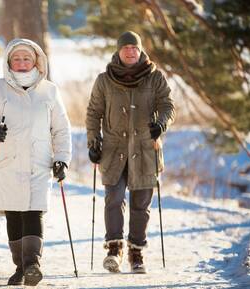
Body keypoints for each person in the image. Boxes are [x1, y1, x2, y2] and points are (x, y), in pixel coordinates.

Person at [0, 38, 71, 286]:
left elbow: (61, 129)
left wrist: (62, 159)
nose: (21, 63)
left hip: (39, 163)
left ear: (36, 61)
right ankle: (20, 267)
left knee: (33, 212)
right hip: (7, 163)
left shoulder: (49, 91)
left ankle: (33, 265)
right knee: (14, 215)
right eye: (16, 59)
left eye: (26, 58)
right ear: (9, 62)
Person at [86, 31, 175, 274]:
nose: (130, 51)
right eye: (125, 48)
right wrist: (93, 143)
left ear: (140, 50)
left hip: (146, 148)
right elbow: (94, 113)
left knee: (141, 204)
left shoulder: (155, 78)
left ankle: (136, 252)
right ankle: (114, 249)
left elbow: (167, 105)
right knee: (113, 198)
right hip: (113, 151)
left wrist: (162, 124)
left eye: (134, 48)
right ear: (118, 51)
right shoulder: (104, 80)